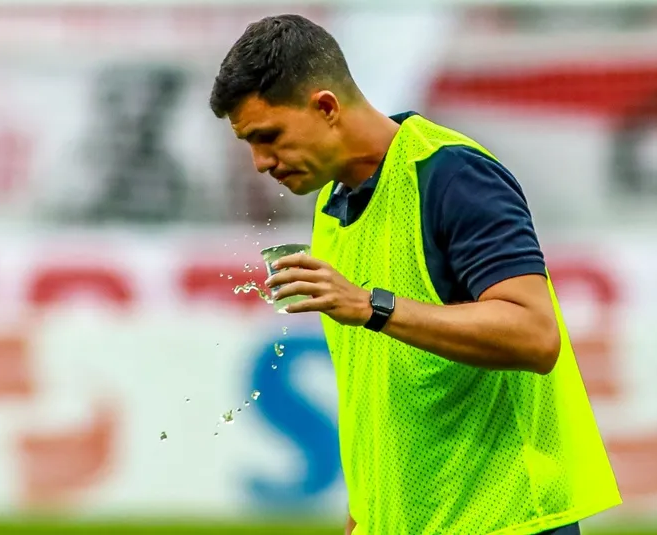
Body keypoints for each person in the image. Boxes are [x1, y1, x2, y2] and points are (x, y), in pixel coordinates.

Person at [209, 14, 622, 535]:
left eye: (268, 136)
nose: (260, 162)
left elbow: (536, 335)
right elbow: (377, 389)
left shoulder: (452, 175)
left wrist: (371, 306)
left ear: (326, 107)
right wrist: (363, 517)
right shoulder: (331, 206)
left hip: (506, 521)